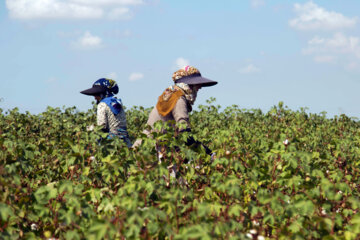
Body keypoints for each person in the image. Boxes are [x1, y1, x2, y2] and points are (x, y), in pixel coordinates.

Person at [132, 65, 217, 160]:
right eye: (197, 85)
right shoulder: (179, 98)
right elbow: (184, 133)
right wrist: (209, 153)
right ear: (190, 85)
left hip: (145, 145)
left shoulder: (171, 94)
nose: (199, 88)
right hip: (154, 150)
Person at [80, 78, 132, 147]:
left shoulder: (102, 104)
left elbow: (102, 126)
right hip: (125, 141)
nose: (95, 97)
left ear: (103, 93)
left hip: (111, 142)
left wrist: (89, 129)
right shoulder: (117, 102)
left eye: (97, 94)